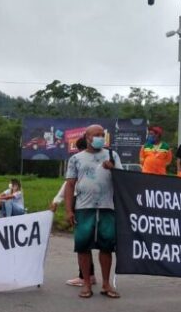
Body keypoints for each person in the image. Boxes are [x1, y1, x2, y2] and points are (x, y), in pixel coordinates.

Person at [65, 125, 121, 299]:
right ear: (87, 137)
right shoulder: (76, 159)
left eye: (102, 135)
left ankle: (106, 284)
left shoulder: (112, 155)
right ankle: (87, 284)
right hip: (83, 207)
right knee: (83, 246)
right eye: (96, 135)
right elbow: (70, 185)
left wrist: (112, 169)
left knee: (107, 246)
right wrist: (69, 210)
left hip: (107, 207)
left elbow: (123, 180)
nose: (100, 137)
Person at [49, 136, 96, 287]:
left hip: (82, 204)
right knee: (89, 242)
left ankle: (85, 276)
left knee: (82, 242)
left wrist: (57, 200)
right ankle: (90, 275)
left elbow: (69, 184)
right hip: (97, 204)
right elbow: (69, 184)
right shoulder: (98, 160)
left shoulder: (78, 160)